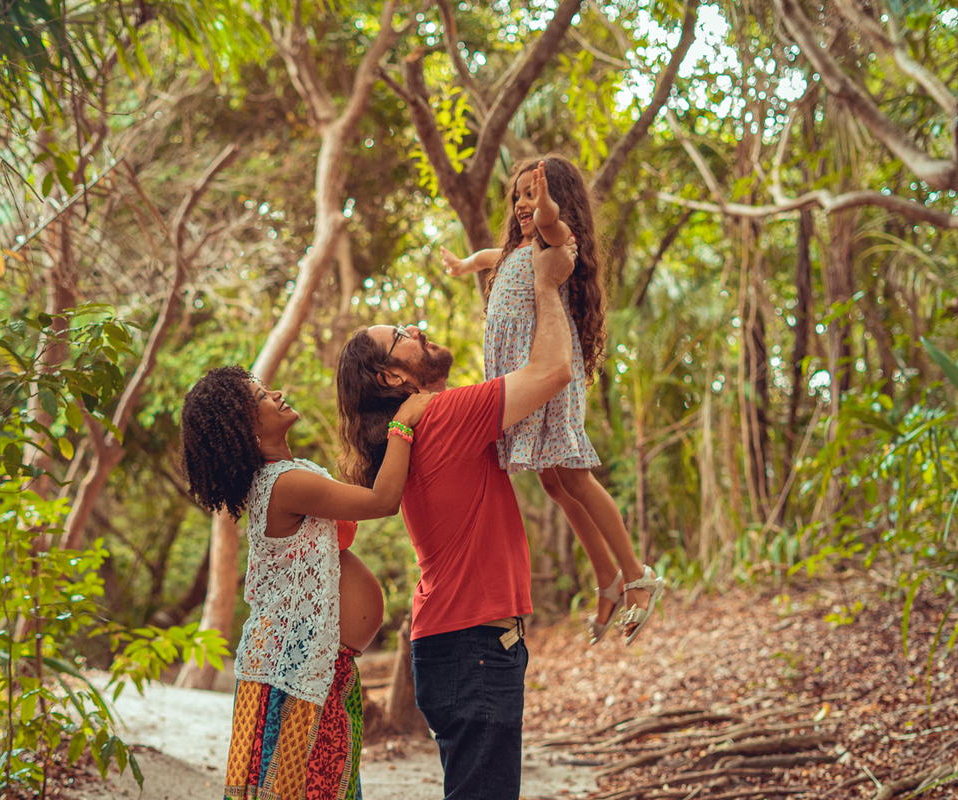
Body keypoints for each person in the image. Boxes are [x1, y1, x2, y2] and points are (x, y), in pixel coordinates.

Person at [335, 238, 576, 799]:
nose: (416, 330)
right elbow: (553, 370)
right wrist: (545, 282)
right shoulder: (442, 415)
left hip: (459, 644)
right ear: (392, 378)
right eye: (400, 336)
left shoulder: (421, 423)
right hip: (474, 647)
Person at [440, 155, 665, 645]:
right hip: (523, 375)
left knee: (576, 478)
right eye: (519, 195)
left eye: (534, 192)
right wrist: (464, 265)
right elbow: (486, 257)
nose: (524, 203)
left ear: (560, 200)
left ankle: (637, 574)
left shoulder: (556, 239)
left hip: (547, 373)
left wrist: (545, 208)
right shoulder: (514, 250)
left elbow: (552, 223)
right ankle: (606, 578)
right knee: (554, 482)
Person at [180, 365, 431, 800]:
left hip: (309, 665)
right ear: (245, 427)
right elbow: (383, 501)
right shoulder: (285, 483)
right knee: (303, 788)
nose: (276, 394)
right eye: (260, 396)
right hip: (294, 668)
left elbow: (344, 531)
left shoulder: (291, 475)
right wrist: (402, 426)